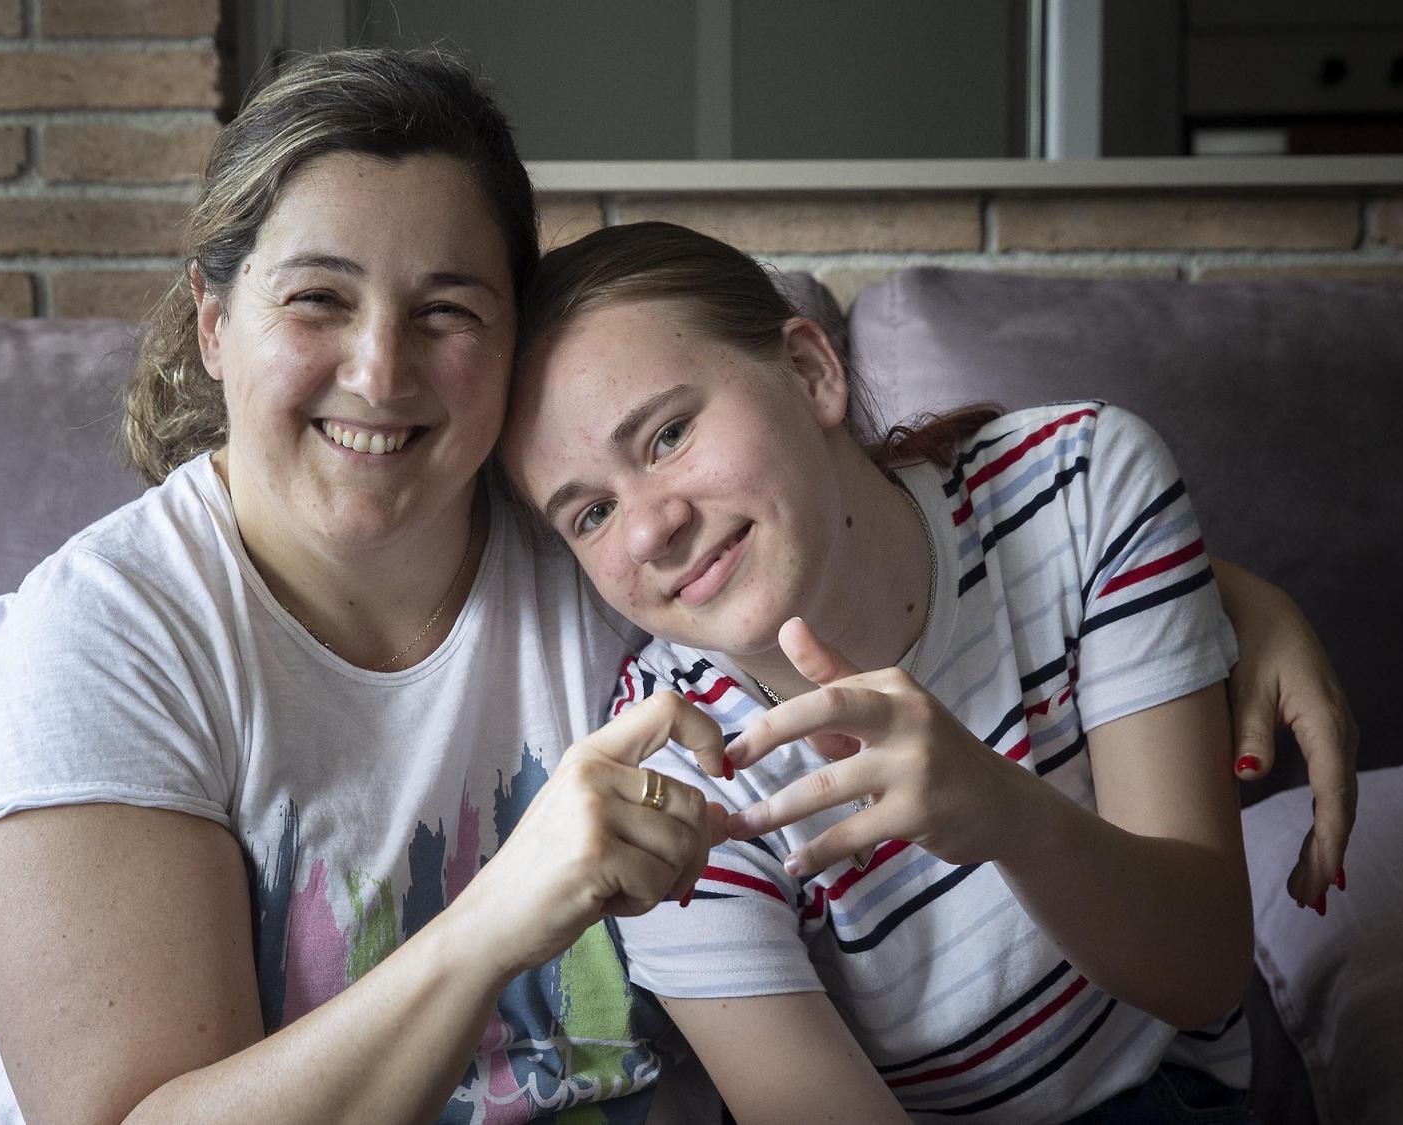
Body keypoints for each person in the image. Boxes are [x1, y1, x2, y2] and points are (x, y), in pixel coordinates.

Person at [0, 48, 1354, 1125]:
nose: (382, 372)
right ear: (214, 318)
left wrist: (1223, 605)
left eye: (447, 311)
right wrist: (499, 912)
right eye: (317, 299)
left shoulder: (575, 547)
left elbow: (848, 519)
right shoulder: (105, 641)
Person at [499, 221, 1328, 1122]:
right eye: (588, 515)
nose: (649, 530)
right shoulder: (667, 768)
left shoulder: (1084, 485)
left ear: (812, 372)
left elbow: (1203, 974)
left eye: (667, 434)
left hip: (1160, 1089)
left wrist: (1009, 815)